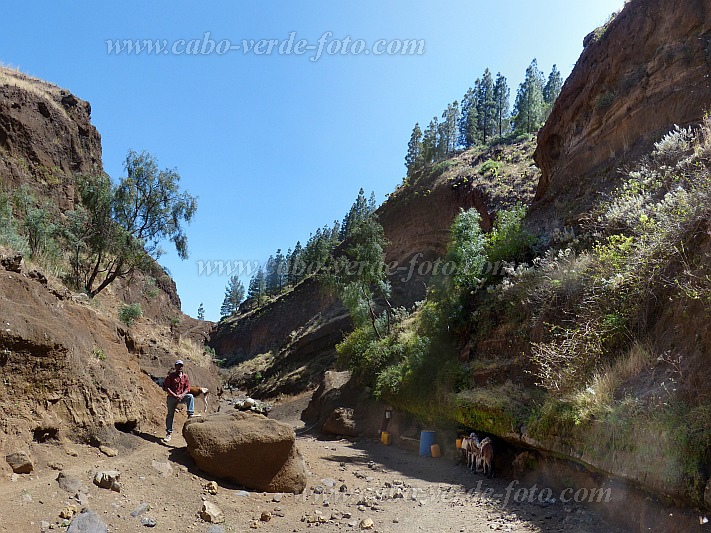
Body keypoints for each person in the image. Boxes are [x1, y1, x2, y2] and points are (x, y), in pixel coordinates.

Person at [162, 360, 195, 443]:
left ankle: (190, 414)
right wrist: (175, 395)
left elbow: (187, 388)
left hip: (181, 397)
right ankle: (168, 434)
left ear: (182, 366)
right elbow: (167, 387)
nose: (179, 367)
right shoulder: (171, 376)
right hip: (172, 397)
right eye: (178, 365)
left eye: (181, 366)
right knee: (170, 415)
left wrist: (182, 395)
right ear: (175, 366)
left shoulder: (185, 377)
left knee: (190, 397)